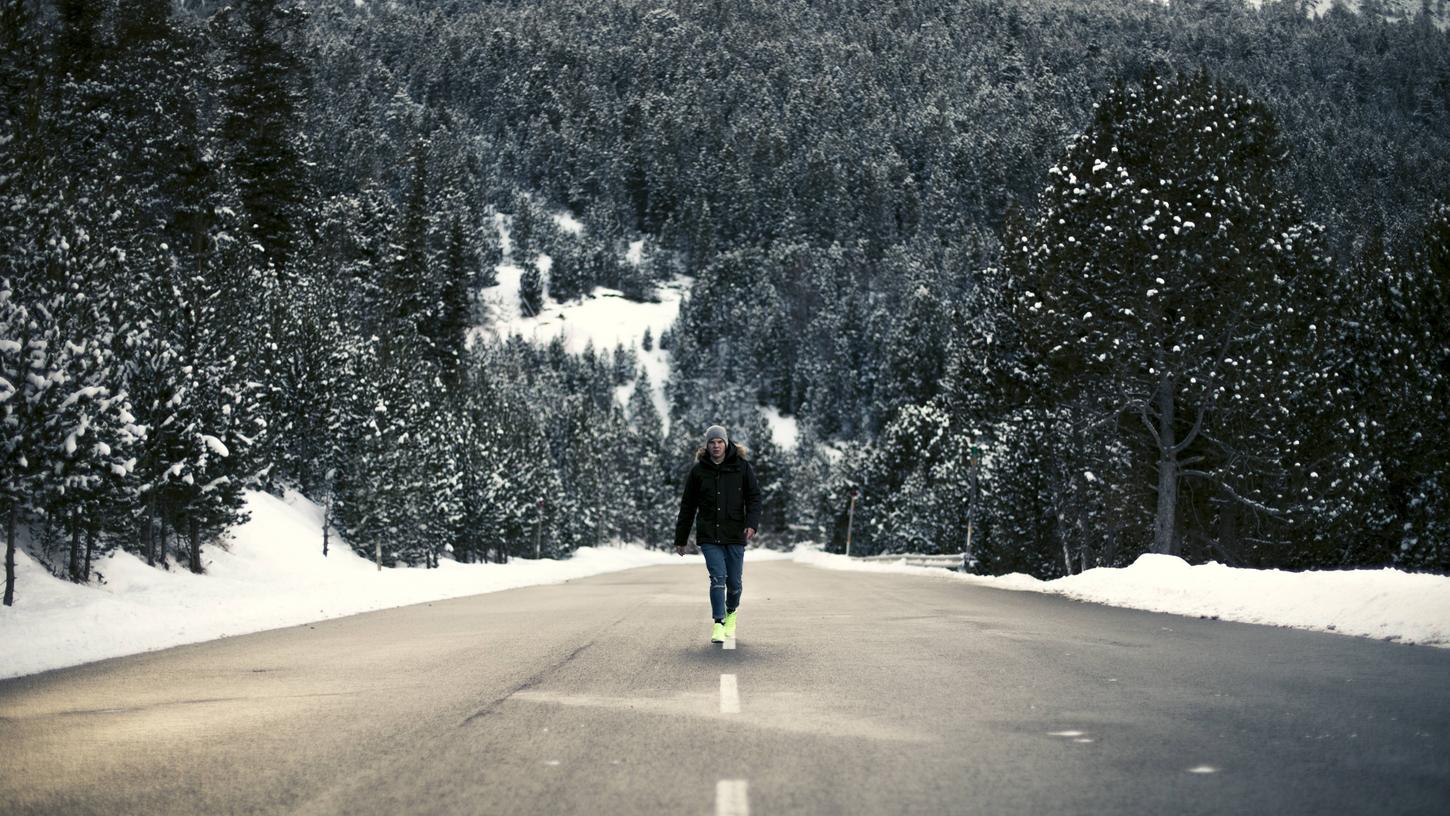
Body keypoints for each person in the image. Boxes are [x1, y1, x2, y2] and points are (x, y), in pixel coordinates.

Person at [675, 424, 762, 644]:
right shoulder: (698, 471)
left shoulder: (741, 467)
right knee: (717, 579)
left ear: (726, 443)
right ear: (707, 445)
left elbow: (754, 498)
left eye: (719, 442)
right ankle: (718, 623)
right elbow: (687, 506)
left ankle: (731, 611)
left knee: (734, 584)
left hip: (735, 533)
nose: (716, 446)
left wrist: (751, 524)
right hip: (709, 535)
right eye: (712, 442)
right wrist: (681, 538)